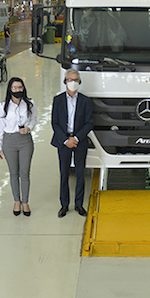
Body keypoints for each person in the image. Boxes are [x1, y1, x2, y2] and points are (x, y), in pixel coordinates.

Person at [51, 69, 93, 218]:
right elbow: (54, 123)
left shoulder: (86, 101)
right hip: (63, 141)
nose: (73, 82)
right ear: (65, 81)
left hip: (79, 141)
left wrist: (76, 138)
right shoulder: (58, 100)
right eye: (70, 80)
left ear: (79, 82)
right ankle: (64, 205)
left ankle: (79, 204)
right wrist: (65, 140)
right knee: (64, 173)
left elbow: (89, 123)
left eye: (75, 80)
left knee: (80, 173)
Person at [0, 77, 37, 217]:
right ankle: (16, 201)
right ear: (10, 89)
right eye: (15, 88)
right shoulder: (3, 106)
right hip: (9, 141)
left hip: (25, 140)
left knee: (24, 173)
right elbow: (0, 127)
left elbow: (33, 119)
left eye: (20, 87)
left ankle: (25, 201)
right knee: (13, 173)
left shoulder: (30, 104)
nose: (18, 90)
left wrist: (29, 128)